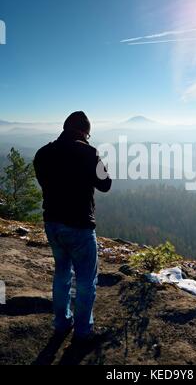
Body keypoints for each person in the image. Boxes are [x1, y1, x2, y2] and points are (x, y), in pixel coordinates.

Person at [34, 111, 112, 344]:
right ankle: (82, 331)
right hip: (79, 225)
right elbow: (105, 184)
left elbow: (43, 183)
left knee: (61, 273)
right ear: (84, 132)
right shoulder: (89, 153)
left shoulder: (42, 153)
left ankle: (61, 323)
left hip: (52, 223)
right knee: (86, 280)